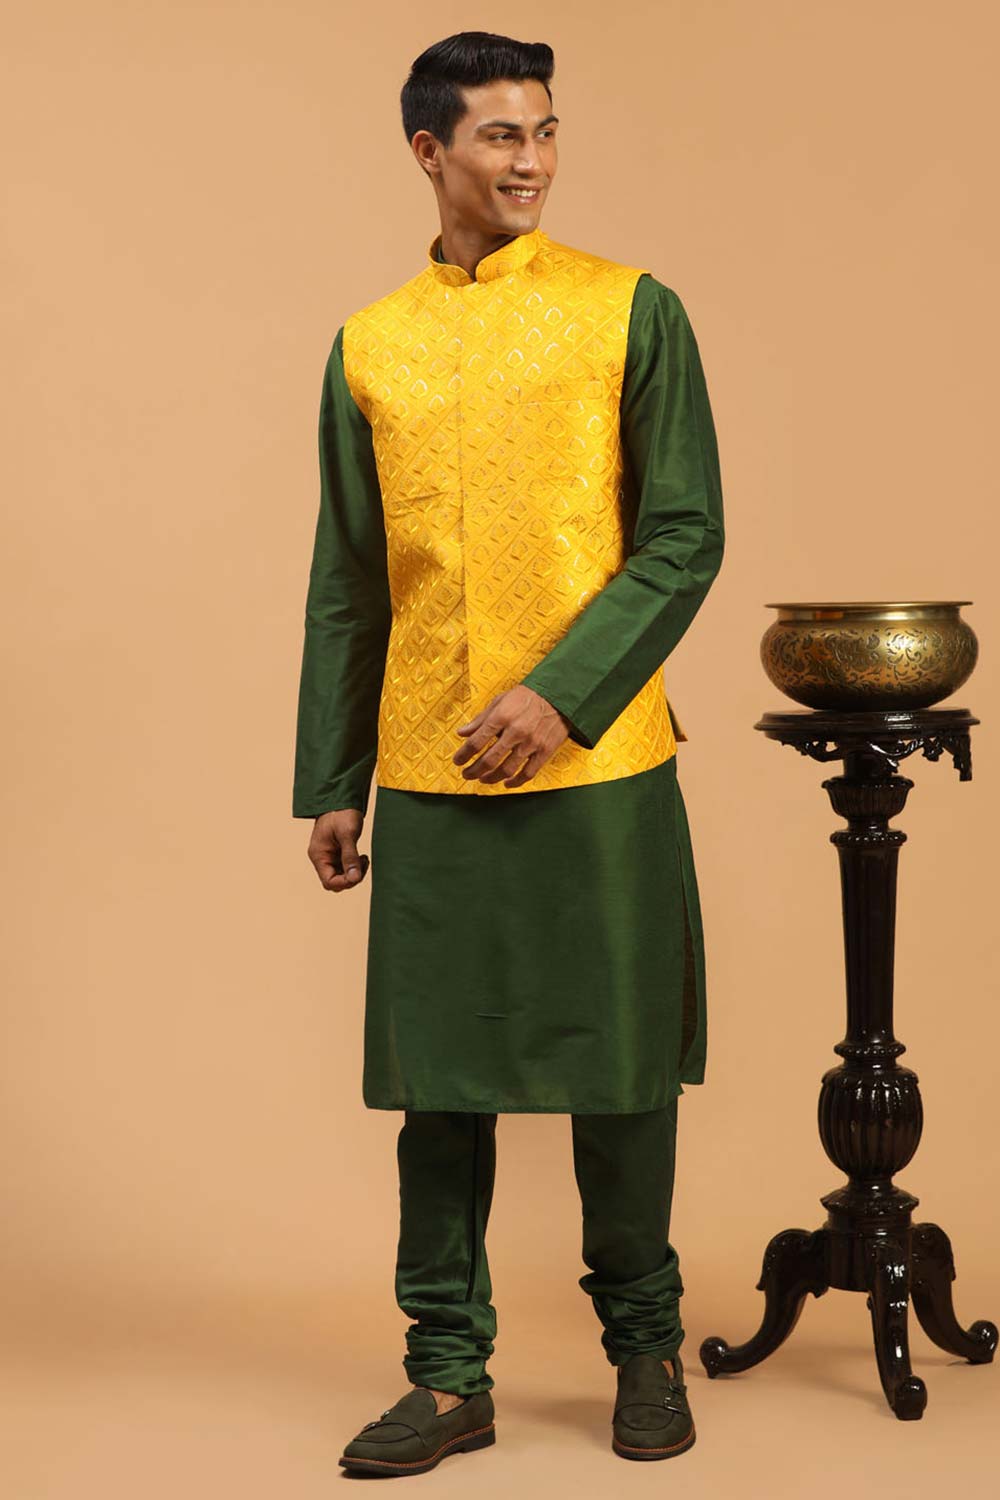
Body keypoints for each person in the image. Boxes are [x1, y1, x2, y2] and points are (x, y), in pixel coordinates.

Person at [292, 30, 725, 1475]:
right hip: (427, 770)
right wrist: (333, 780)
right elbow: (351, 578)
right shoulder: (370, 343)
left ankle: (646, 1349)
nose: (530, 158)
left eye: (544, 130)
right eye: (499, 134)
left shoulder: (629, 311)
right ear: (430, 151)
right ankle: (445, 1378)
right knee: (440, 1088)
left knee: (622, 1075)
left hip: (599, 763)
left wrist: (563, 695)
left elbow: (683, 535)